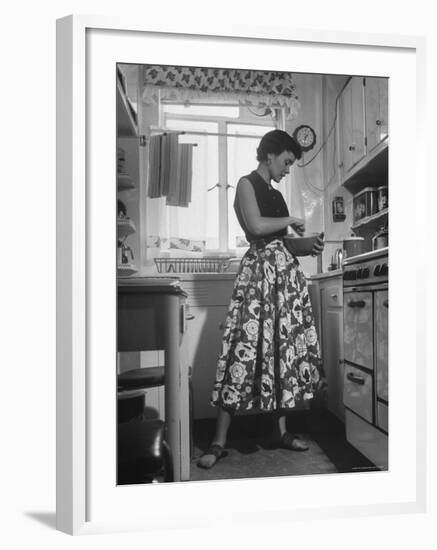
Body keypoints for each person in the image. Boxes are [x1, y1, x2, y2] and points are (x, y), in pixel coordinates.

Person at [197, 129, 326, 469]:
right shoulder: (245, 183)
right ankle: (218, 441)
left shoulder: (278, 196)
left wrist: (307, 244)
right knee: (244, 348)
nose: (287, 169)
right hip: (258, 279)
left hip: (284, 279)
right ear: (270, 154)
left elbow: (283, 242)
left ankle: (278, 432)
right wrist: (290, 221)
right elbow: (255, 225)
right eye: (286, 161)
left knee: (281, 353)